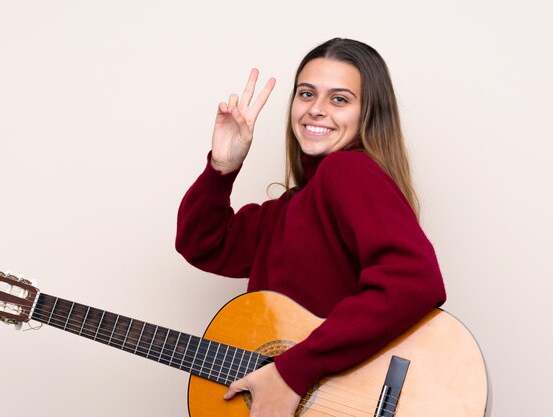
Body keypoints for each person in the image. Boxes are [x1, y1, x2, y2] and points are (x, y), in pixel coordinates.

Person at [175, 38, 446, 417]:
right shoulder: (288, 209)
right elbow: (202, 244)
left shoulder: (347, 170)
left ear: (368, 113)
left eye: (339, 99)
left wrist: (291, 372)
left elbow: (415, 281)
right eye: (306, 94)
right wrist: (222, 167)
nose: (316, 110)